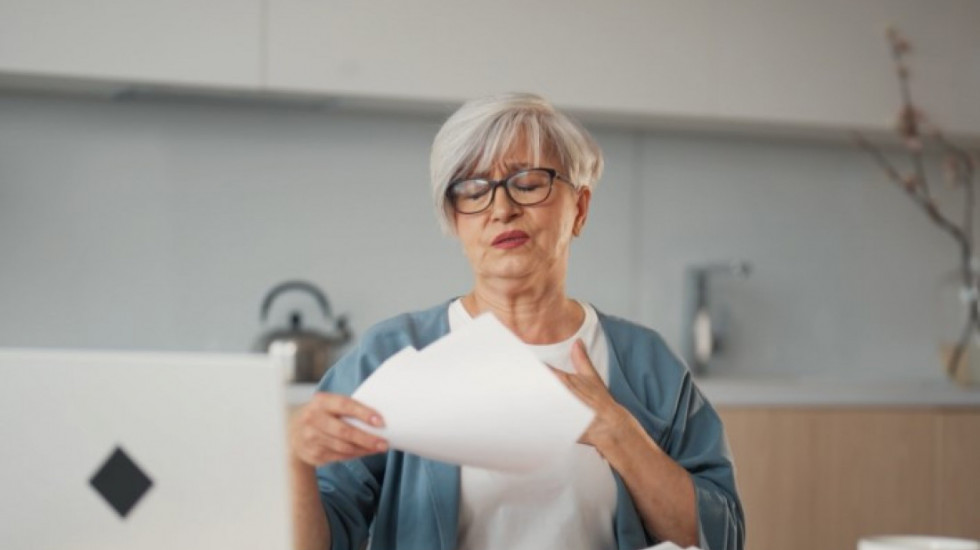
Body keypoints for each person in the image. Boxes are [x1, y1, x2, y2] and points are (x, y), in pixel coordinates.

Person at [288, 93, 744, 550]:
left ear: (580, 209)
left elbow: (721, 539)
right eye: (473, 190)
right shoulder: (391, 355)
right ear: (454, 218)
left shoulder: (646, 364)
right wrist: (296, 461)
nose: (500, 208)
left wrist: (617, 433)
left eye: (527, 183)